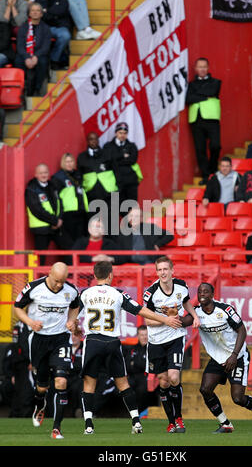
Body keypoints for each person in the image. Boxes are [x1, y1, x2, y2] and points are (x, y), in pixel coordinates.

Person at [76, 260, 182, 435]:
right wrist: (164, 319)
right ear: (111, 275)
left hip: (93, 341)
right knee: (123, 383)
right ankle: (136, 421)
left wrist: (73, 324)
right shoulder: (118, 294)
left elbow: (72, 312)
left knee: (89, 383)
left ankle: (88, 424)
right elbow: (139, 310)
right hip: (112, 342)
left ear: (94, 276)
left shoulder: (85, 293)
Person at [192, 282, 252, 433]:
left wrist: (234, 355)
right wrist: (170, 317)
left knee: (238, 398)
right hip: (217, 357)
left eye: (206, 291)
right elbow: (185, 322)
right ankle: (225, 423)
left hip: (237, 356)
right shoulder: (197, 313)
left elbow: (242, 330)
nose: (202, 294)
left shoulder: (225, 309)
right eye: (200, 291)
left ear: (212, 294)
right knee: (205, 389)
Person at [14, 262, 80, 439]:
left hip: (60, 339)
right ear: (49, 273)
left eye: (62, 281)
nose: (59, 285)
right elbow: (17, 307)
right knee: (42, 386)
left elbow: (75, 306)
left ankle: (56, 428)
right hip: (39, 340)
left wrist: (71, 321)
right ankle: (39, 406)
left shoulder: (71, 290)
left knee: (61, 382)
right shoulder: (34, 287)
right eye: (57, 281)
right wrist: (30, 323)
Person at [143, 255, 200, 433]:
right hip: (155, 341)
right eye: (159, 270)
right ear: (156, 272)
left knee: (174, 377)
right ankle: (170, 422)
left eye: (165, 269)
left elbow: (186, 303)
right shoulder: (150, 293)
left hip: (175, 337)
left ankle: (179, 418)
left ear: (172, 270)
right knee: (163, 382)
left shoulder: (181, 286)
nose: (162, 273)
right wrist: (165, 320)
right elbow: (147, 321)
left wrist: (195, 316)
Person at [25, 163, 73, 265]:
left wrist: (59, 220)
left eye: (46, 172)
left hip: (57, 226)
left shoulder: (52, 185)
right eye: (41, 173)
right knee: (40, 257)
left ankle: (70, 276)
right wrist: (55, 221)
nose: (44, 175)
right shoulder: (31, 188)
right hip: (41, 229)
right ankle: (38, 279)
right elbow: (36, 209)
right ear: (36, 175)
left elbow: (60, 204)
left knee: (69, 248)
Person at [185, 57, 222, 185]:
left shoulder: (216, 82)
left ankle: (213, 169)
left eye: (204, 67)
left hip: (212, 118)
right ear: (195, 69)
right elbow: (188, 98)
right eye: (199, 67)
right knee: (200, 149)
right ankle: (206, 175)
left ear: (208, 68)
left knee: (215, 145)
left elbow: (212, 91)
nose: (202, 69)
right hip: (196, 119)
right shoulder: (191, 84)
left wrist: (197, 95)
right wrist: (205, 96)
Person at [77, 131, 118, 229]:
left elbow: (116, 170)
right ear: (87, 141)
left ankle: (113, 243)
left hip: (108, 193)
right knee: (93, 222)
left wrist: (118, 187)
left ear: (98, 140)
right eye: (91, 139)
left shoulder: (106, 154)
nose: (93, 141)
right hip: (91, 194)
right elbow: (80, 174)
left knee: (111, 221)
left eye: (95, 139)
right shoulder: (81, 157)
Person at [108, 206, 174, 266]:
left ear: (141, 218)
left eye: (136, 216)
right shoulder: (122, 233)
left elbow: (169, 235)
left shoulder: (150, 228)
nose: (133, 218)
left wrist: (157, 244)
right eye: (131, 216)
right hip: (131, 264)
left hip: (150, 262)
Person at [15, 2, 51, 97]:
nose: (35, 12)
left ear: (41, 14)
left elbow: (46, 46)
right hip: (25, 53)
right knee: (18, 61)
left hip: (39, 54)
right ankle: (22, 87)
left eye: (37, 10)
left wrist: (36, 56)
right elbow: (20, 46)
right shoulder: (23, 27)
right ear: (29, 13)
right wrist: (27, 57)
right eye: (32, 10)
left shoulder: (46, 28)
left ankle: (37, 88)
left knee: (43, 62)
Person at [103, 122, 143, 208]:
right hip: (115, 183)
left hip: (130, 183)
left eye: (125, 133)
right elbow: (108, 161)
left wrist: (116, 159)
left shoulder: (132, 146)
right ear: (116, 133)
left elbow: (132, 160)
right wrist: (122, 156)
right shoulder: (108, 146)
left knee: (131, 208)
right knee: (114, 209)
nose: (122, 135)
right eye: (120, 133)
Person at [51, 152, 89, 242]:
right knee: (71, 240)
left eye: (71, 161)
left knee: (81, 239)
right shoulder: (58, 177)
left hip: (81, 211)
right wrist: (57, 215)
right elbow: (55, 198)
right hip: (68, 213)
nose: (69, 164)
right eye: (67, 162)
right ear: (63, 163)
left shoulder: (78, 175)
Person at [35, 0, 72, 70]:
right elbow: (37, 15)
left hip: (60, 27)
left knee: (65, 35)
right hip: (44, 28)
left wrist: (46, 11)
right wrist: (54, 14)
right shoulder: (39, 0)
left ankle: (54, 59)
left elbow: (61, 11)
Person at [123, 325, 149, 415]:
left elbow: (147, 366)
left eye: (146, 334)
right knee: (125, 388)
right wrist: (138, 364)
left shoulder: (152, 348)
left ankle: (140, 413)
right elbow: (127, 365)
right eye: (142, 335)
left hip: (146, 376)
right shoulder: (132, 349)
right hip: (132, 376)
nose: (144, 337)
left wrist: (135, 364)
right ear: (138, 336)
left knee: (142, 390)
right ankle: (130, 412)